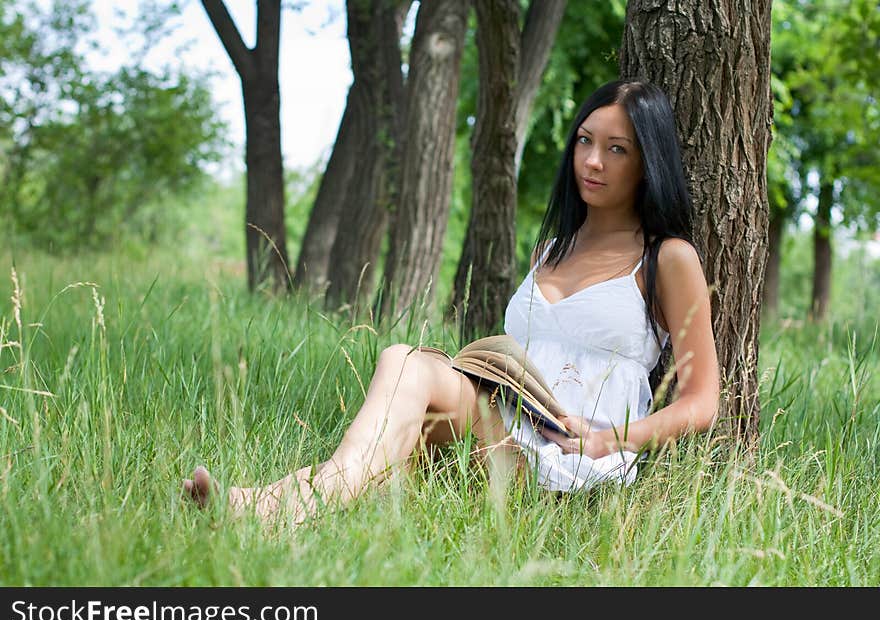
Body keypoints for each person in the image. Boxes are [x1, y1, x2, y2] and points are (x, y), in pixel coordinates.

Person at [183, 79, 720, 523]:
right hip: (503, 426)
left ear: (647, 163)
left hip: (572, 464)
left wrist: (613, 439)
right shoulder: (551, 249)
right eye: (584, 141)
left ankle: (272, 509)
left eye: (616, 149)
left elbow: (702, 400)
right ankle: (262, 509)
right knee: (404, 367)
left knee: (405, 399)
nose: (593, 161)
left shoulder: (667, 259)